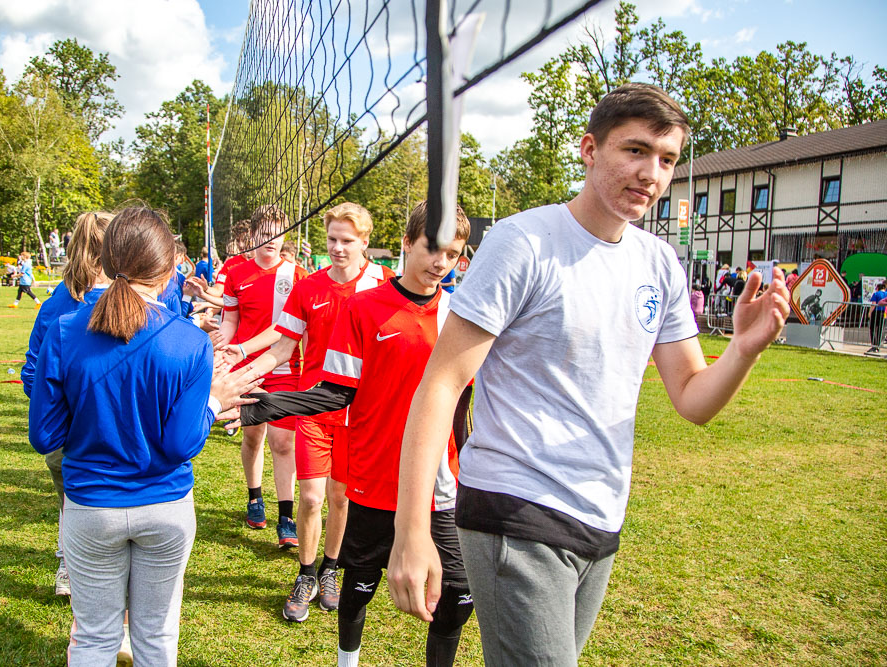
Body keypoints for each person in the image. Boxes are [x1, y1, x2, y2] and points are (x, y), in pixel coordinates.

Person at [386, 83, 791, 666]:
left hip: (600, 519)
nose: (651, 173)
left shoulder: (658, 263)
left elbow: (693, 399)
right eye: (634, 151)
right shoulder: (523, 242)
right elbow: (441, 385)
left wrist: (745, 349)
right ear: (589, 149)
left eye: (667, 159)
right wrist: (412, 530)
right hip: (515, 505)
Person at [237, 201, 474, 666]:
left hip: (439, 482)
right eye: (432, 248)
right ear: (407, 244)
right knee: (358, 586)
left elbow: (465, 401)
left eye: (453, 253)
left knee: (459, 597)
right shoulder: (365, 307)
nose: (441, 262)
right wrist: (260, 407)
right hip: (374, 474)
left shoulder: (462, 314)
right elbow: (334, 393)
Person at [29, 206, 262, 666]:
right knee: (155, 640)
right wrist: (214, 402)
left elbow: (44, 434)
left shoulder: (64, 331)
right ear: (168, 268)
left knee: (94, 638)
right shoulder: (188, 340)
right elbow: (180, 444)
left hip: (91, 507)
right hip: (165, 506)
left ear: (108, 256)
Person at [220, 202, 394, 622]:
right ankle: (306, 573)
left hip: (361, 415)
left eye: (346, 241)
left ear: (365, 242)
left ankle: (332, 569)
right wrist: (239, 371)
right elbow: (282, 347)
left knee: (340, 497)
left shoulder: (383, 284)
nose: (337, 248)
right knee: (312, 497)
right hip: (314, 408)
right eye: (331, 239)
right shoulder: (308, 288)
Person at [21, 212, 115, 600]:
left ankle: (73, 566)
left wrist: (56, 409)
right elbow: (33, 372)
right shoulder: (71, 303)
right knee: (88, 505)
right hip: (97, 431)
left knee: (76, 504)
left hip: (75, 431)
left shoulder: (57, 301)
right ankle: (74, 566)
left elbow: (31, 374)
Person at [215, 205, 308, 547]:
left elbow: (291, 330)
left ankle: (286, 516)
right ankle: (255, 497)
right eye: (264, 233)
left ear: (286, 235)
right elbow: (230, 320)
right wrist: (222, 344)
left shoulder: (297, 276)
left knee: (283, 443)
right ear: (251, 234)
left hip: (284, 368)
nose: (270, 240)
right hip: (245, 368)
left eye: (277, 233)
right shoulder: (235, 272)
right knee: (253, 438)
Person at [867, 281, 887, 353]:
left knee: (873, 328)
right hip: (883, 313)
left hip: (876, 312)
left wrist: (869, 313)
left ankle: (874, 345)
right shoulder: (886, 294)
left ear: (878, 288)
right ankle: (878, 345)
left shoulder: (876, 294)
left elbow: (873, 304)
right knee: (880, 329)